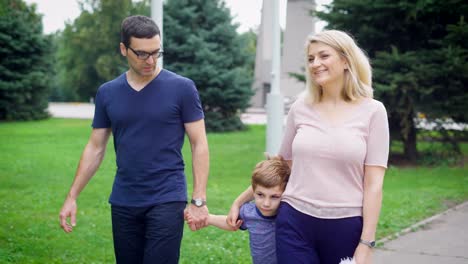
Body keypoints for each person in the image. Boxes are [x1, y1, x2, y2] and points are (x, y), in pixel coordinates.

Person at [227, 30, 389, 264]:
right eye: (311, 59)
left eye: (324, 56)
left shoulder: (373, 111)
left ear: (345, 60)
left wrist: (367, 243)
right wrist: (239, 202)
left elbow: (374, 184)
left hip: (345, 226)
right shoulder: (301, 107)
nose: (316, 64)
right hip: (295, 222)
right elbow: (281, 167)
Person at [58, 15, 209, 264]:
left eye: (155, 53)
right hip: (124, 199)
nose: (150, 60)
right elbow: (96, 147)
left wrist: (199, 199)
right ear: (123, 49)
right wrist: (72, 196)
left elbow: (199, 143)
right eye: (141, 54)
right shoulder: (108, 93)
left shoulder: (182, 88)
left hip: (167, 196)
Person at [186, 156, 290, 264]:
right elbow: (231, 222)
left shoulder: (290, 214)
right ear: (253, 191)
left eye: (274, 197)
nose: (266, 203)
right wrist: (208, 219)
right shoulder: (249, 212)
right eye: (260, 195)